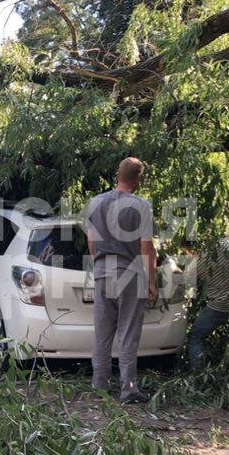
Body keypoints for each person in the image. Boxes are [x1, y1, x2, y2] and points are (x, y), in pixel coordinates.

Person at [85, 157, 158, 404]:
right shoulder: (141, 206)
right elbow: (146, 247)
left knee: (102, 333)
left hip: (103, 271)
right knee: (128, 333)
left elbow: (92, 243)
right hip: (131, 274)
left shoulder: (95, 203)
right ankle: (128, 389)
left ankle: (99, 385)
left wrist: (101, 265)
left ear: (118, 174)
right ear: (138, 178)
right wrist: (151, 282)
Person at [183, 236, 229, 371]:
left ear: (189, 249)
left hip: (219, 306)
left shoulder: (197, 263)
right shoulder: (227, 243)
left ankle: (198, 375)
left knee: (195, 337)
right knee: (228, 338)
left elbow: (183, 284)